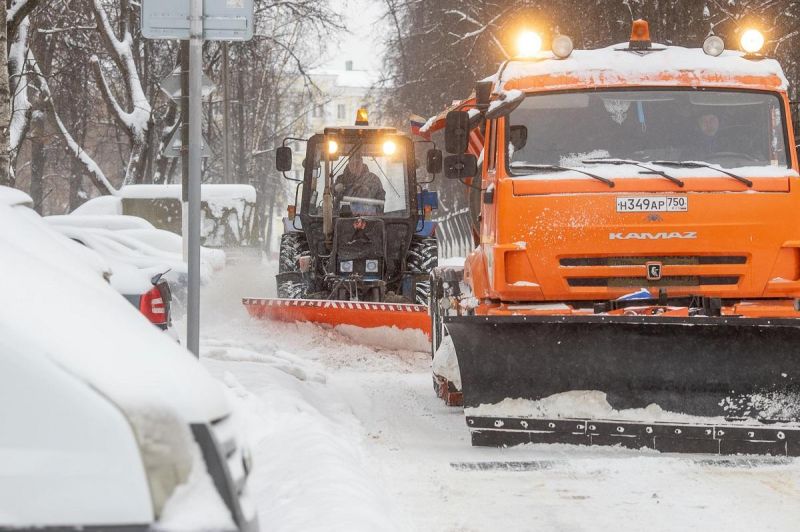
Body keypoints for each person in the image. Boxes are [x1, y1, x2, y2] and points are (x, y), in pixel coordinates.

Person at [334, 150, 385, 214]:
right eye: (352, 164)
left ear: (362, 163)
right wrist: (336, 188)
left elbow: (380, 201)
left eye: (357, 163)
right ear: (349, 164)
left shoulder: (373, 179)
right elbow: (331, 194)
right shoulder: (341, 179)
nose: (355, 166)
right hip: (342, 218)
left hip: (369, 219)